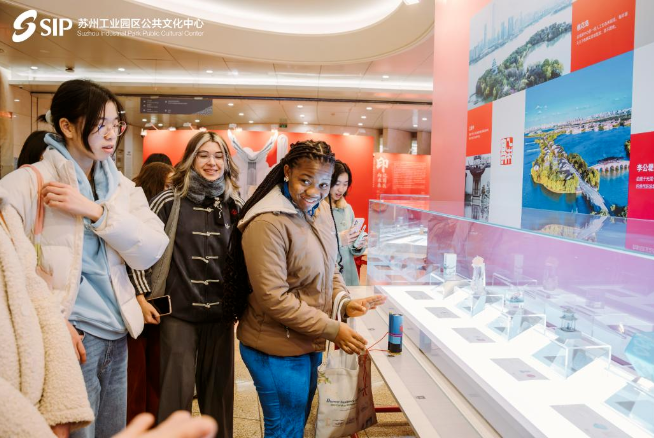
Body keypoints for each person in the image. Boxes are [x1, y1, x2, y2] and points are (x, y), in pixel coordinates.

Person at [0, 79, 169, 438]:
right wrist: (53, 321)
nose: (110, 134)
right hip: (70, 335)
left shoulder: (121, 187)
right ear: (66, 126)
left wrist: (96, 211)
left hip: (118, 331)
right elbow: (9, 269)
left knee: (112, 432)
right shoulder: (27, 183)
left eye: (116, 124)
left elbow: (153, 248)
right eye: (99, 124)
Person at [222, 140, 386, 438]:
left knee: (295, 423)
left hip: (307, 339)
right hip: (274, 347)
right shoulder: (267, 222)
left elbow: (329, 266)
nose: (313, 192)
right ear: (287, 172)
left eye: (323, 184)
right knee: (285, 428)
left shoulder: (319, 210)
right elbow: (274, 298)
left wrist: (344, 302)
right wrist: (332, 329)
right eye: (305, 181)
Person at [131, 131, 242, 437]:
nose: (211, 162)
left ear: (227, 162)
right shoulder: (168, 200)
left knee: (219, 397)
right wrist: (141, 295)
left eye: (218, 156)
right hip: (177, 313)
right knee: (174, 396)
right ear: (190, 160)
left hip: (221, 316)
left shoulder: (234, 204)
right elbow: (137, 249)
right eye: (203, 155)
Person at [0, 186, 94, 437]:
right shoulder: (22, 187)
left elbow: (35, 291)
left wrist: (61, 407)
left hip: (34, 394)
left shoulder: (5, 213)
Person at [126, 162, 174, 423]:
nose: (171, 190)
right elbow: (134, 258)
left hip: (155, 302)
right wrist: (141, 297)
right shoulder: (142, 210)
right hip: (140, 303)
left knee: (154, 370)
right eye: (167, 185)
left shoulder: (164, 211)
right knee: (138, 374)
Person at [329, 160, 367, 286]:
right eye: (337, 183)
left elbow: (351, 247)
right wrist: (340, 239)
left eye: (345, 184)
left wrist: (358, 245)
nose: (341, 189)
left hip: (349, 273)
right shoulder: (317, 209)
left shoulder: (347, 208)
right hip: (330, 275)